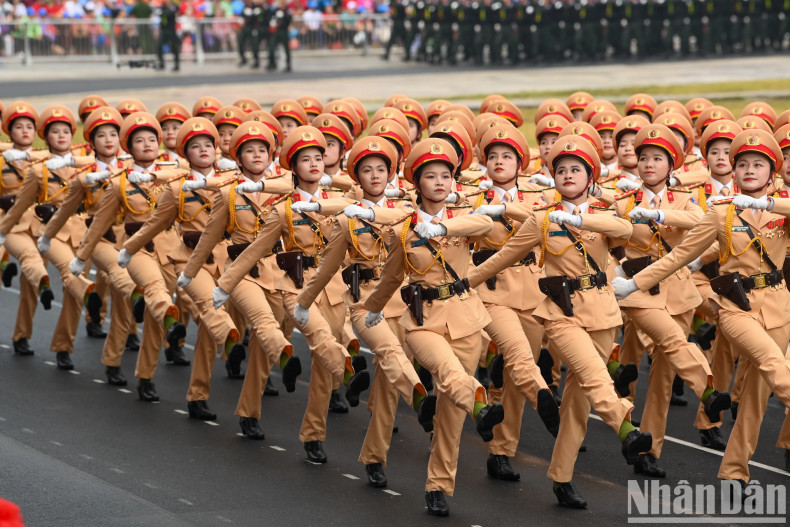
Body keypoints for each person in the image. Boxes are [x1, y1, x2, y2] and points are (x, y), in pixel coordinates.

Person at [467, 135, 651, 509]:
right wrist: (464, 284)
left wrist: (580, 217)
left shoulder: (605, 213)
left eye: (576, 169)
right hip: (560, 314)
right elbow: (504, 256)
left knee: (578, 403)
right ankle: (624, 425)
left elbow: (626, 231)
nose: (567, 174)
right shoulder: (542, 218)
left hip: (601, 314)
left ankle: (562, 477)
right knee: (594, 378)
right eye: (561, 169)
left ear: (590, 177)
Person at [613, 128, 790, 488]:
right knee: (775, 365)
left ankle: (733, 470)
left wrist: (767, 204)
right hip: (737, 309)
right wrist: (633, 284)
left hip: (779, 308)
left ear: (772, 173)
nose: (748, 170)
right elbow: (678, 256)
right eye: (742, 164)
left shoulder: (781, 209)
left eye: (758, 164)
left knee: (756, 396)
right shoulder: (719, 213)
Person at [362, 137, 505, 517]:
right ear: (417, 184)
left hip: (465, 319)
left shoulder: (463, 221)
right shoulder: (402, 229)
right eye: (430, 176)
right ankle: (481, 402)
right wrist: (373, 310)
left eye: (446, 175)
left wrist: (442, 228)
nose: (439, 182)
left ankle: (438, 485)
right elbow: (392, 277)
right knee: (445, 372)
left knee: (449, 414)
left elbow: (487, 221)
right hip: (422, 323)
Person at [213, 125, 370, 463]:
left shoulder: (341, 202)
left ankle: (313, 435)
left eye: (319, 156)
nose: (315, 163)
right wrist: (224, 285)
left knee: (316, 363)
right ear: (292, 166)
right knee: (287, 340)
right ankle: (251, 411)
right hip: (289, 281)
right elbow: (255, 249)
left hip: (330, 287)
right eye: (305, 159)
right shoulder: (280, 205)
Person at [296, 136, 435, 487]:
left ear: (392, 174)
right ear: (355, 176)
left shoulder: (406, 211)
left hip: (400, 301)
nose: (375, 175)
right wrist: (303, 303)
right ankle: (316, 431)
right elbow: (327, 266)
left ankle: (374, 457)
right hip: (360, 301)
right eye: (367, 170)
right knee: (342, 361)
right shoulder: (346, 215)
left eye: (381, 169)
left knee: (388, 380)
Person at [612, 123, 730, 478]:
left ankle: (649, 449)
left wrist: (658, 214)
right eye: (643, 157)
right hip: (640, 294)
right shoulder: (622, 202)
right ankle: (705, 388)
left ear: (671, 166)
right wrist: (619, 272)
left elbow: (698, 219)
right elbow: (610, 241)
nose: (648, 164)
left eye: (657, 158)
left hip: (677, 294)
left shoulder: (686, 200)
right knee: (670, 340)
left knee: (662, 379)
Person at [122, 117, 242, 419]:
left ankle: (198, 395)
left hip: (223, 262)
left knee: (204, 326)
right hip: (185, 259)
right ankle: (146, 375)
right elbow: (155, 224)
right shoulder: (177, 187)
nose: (203, 150)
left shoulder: (234, 180)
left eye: (208, 145)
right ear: (185, 154)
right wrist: (129, 249)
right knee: (158, 313)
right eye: (195, 146)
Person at [183, 121, 297, 438]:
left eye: (262, 149)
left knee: (261, 339)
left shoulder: (284, 186)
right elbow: (208, 236)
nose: (257, 155)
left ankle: (249, 412)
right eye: (249, 150)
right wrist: (190, 271)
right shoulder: (227, 192)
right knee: (218, 328)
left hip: (275, 270)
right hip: (234, 269)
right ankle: (198, 393)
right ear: (238, 157)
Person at [468, 125, 561, 482]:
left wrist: (512, 208)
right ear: (485, 163)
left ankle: (501, 449)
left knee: (514, 375)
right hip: (492, 293)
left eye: (507, 156)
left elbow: (546, 225)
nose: (499, 162)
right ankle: (544, 403)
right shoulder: (472, 198)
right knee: (521, 359)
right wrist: (486, 211)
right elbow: (465, 229)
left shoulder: (538, 198)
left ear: (520, 163)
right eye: (493, 157)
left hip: (532, 292)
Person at [76, 112, 190, 402]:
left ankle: (145, 374)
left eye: (152, 138)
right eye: (139, 140)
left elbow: (193, 169)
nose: (148, 144)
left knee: (157, 315)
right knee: (129, 306)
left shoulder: (173, 172)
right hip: (131, 249)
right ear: (129, 147)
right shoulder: (120, 181)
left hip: (167, 249)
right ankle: (115, 362)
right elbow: (101, 221)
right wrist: (82, 256)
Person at [0, 105, 101, 371]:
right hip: (42, 228)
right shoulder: (36, 165)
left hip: (80, 232)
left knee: (74, 292)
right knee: (32, 283)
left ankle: (63, 347)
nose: (61, 136)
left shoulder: (84, 162)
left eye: (66, 131)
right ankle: (22, 334)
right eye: (54, 132)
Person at [52, 106, 139, 385]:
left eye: (113, 134)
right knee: (75, 289)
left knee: (123, 299)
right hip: (87, 236)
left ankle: (113, 361)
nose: (109, 140)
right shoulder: (83, 169)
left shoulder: (131, 169)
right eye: (101, 135)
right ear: (91, 142)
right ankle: (64, 346)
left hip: (122, 238)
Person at [156, 0, 180, 72]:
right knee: (159, 46)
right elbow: (160, 14)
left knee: (174, 48)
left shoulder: (174, 6)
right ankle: (161, 64)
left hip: (172, 30)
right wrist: (165, 13)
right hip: (164, 31)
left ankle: (176, 65)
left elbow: (172, 13)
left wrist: (165, 13)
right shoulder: (162, 7)